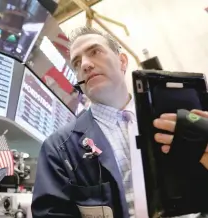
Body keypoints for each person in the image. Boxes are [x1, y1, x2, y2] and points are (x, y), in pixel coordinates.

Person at [31, 27, 208, 218]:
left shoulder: (176, 118)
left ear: (122, 61)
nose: (85, 65)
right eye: (77, 62)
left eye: (95, 52)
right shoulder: (58, 148)